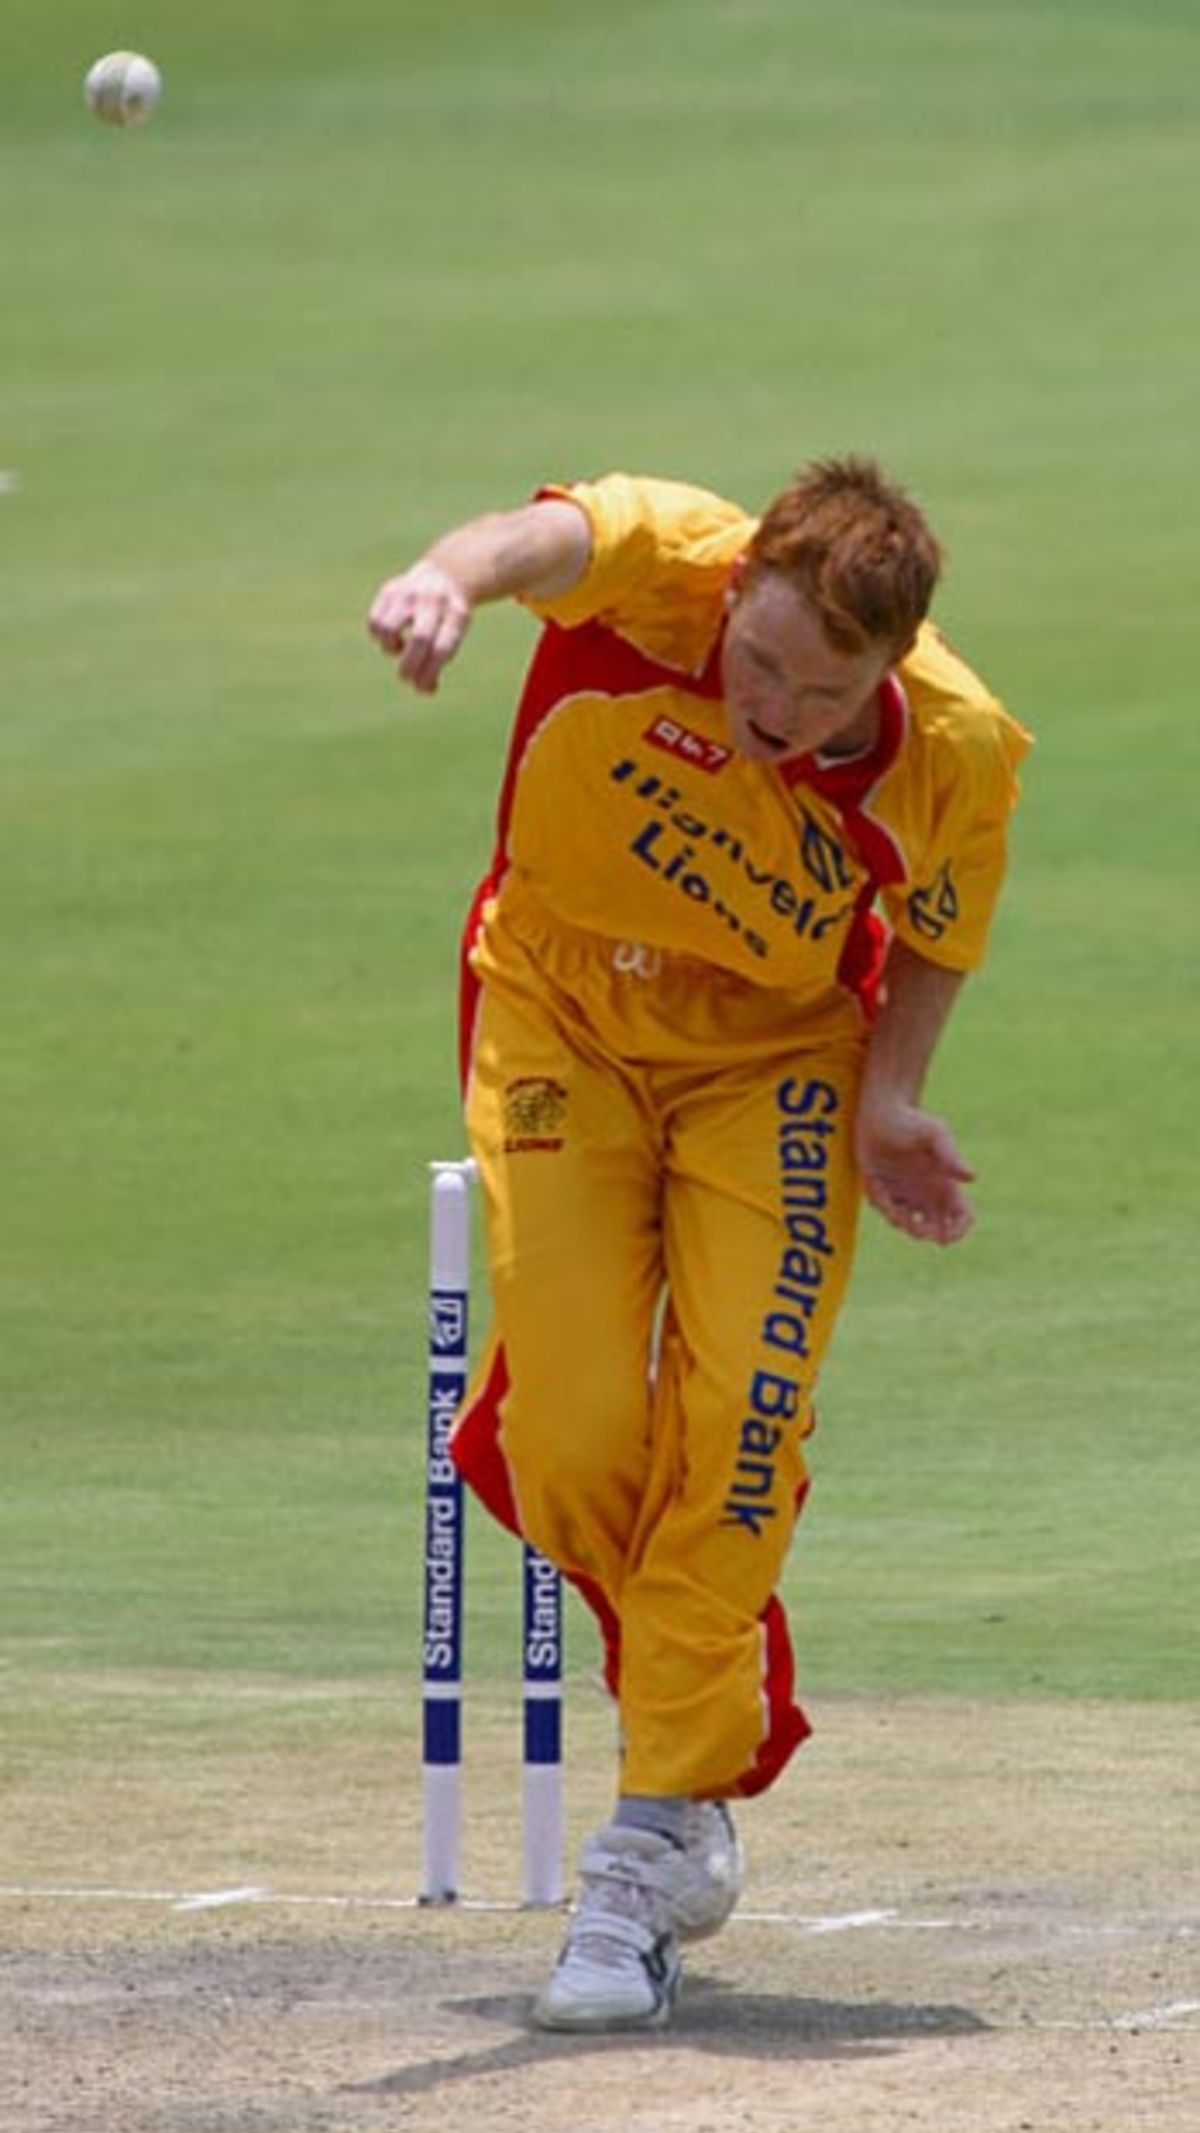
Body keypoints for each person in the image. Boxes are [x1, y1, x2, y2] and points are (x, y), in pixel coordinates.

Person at [368, 461, 1030, 2033]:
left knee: (739, 1427)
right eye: (758, 663)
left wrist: (893, 1101)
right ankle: (715, 1709)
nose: (780, 710)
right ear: (732, 595)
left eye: (825, 689)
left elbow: (938, 922)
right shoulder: (675, 554)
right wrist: (446, 579)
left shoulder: (955, 745)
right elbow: (537, 537)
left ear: (894, 662)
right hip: (558, 1012)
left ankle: (653, 1838)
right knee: (579, 1431)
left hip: (774, 1066)